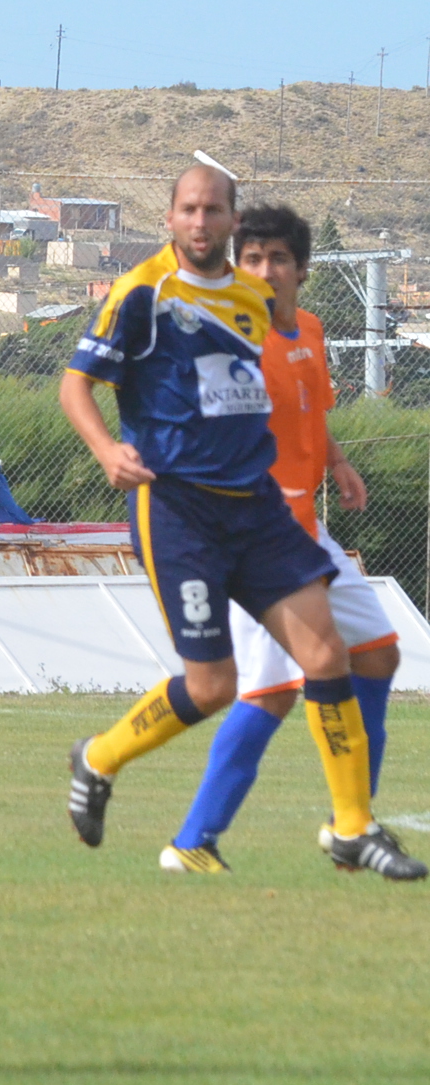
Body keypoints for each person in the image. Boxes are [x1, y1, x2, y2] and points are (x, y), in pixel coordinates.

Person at [59, 164, 422, 880]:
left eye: (214, 210)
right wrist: (108, 450)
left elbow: (281, 385)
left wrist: (333, 457)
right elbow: (76, 384)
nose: (201, 222)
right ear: (170, 217)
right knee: (214, 686)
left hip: (256, 508)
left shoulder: (254, 300)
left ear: (230, 219)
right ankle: (99, 758)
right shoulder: (143, 293)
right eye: (189, 209)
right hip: (179, 510)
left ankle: (351, 827)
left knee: (328, 658)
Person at [163, 203, 404, 872]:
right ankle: (192, 842)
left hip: (306, 530)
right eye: (253, 259)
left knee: (379, 655)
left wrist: (338, 462)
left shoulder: (311, 330)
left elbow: (311, 407)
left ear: (302, 268)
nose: (265, 271)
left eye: (277, 259)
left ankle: (350, 822)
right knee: (267, 694)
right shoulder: (229, 340)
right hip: (253, 538)